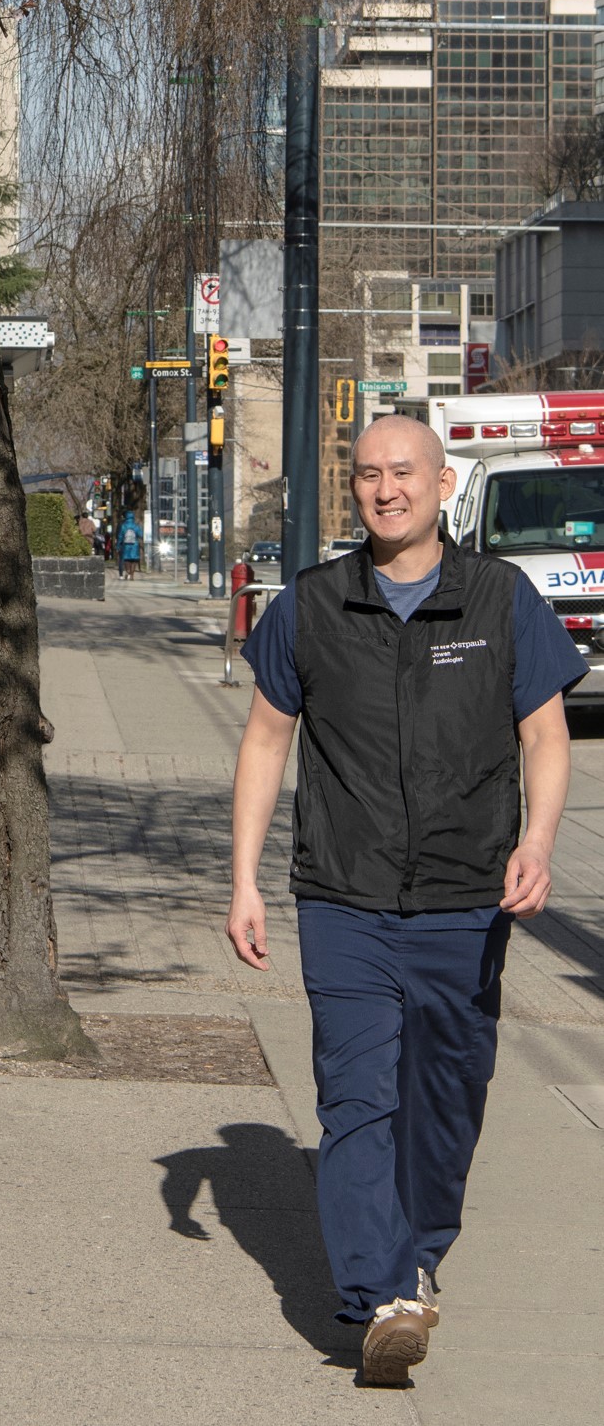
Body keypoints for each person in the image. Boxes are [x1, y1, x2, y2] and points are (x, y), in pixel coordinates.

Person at [225, 413, 584, 1388]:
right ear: (354, 488)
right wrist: (244, 878)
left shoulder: (499, 599)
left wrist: (539, 841)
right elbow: (266, 740)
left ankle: (418, 1251)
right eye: (368, 474)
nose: (386, 489)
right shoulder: (312, 603)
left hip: (468, 901)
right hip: (344, 896)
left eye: (404, 473)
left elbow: (548, 738)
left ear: (439, 483)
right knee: (356, 1100)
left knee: (445, 1099)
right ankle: (380, 1292)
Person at [117, 509, 142, 580]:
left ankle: (127, 571)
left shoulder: (123, 526)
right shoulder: (136, 526)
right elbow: (140, 534)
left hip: (126, 545)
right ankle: (132, 575)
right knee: (134, 560)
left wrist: (118, 545)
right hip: (135, 545)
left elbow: (120, 536)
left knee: (127, 559)